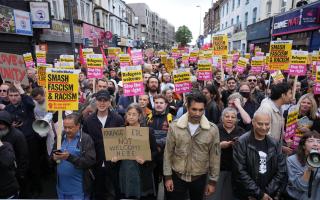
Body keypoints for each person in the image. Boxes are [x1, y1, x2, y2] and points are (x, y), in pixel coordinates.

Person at [163, 92, 220, 200]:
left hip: (199, 177)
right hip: (177, 176)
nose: (197, 113)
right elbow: (168, 153)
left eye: (201, 110)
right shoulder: (175, 127)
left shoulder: (212, 130)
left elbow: (215, 157)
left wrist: (212, 181)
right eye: (194, 109)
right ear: (187, 107)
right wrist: (168, 177)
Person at [233, 111, 287, 200]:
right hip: (248, 195)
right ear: (253, 122)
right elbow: (240, 171)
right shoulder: (241, 142)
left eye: (267, 124)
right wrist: (259, 194)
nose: (264, 127)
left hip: (269, 194)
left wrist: (266, 193)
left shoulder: (274, 143)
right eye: (260, 124)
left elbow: (281, 170)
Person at [82, 90, 124, 200]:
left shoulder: (118, 119)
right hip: (95, 164)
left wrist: (119, 156)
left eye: (105, 100)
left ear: (109, 102)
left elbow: (123, 141)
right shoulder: (88, 121)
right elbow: (85, 142)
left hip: (114, 164)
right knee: (97, 193)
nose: (102, 103)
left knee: (115, 193)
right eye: (99, 100)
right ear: (95, 102)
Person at [5, 82, 44, 198]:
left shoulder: (26, 104)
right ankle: (24, 190)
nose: (13, 98)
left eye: (16, 95)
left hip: (30, 139)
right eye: (11, 96)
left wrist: (21, 90)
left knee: (33, 164)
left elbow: (32, 104)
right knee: (21, 167)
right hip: (16, 142)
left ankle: (37, 188)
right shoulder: (7, 109)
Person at [112, 103, 158, 199]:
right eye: (129, 114)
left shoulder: (147, 131)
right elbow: (114, 150)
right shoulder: (121, 131)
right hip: (125, 171)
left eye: (134, 114)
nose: (131, 117)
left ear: (139, 116)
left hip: (141, 171)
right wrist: (115, 157)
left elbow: (155, 152)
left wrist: (145, 159)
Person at [52, 113, 96, 199]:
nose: (67, 130)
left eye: (70, 127)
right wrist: (53, 159)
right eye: (65, 127)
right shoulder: (60, 138)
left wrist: (69, 157)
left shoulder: (85, 139)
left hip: (79, 190)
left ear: (78, 126)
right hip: (61, 189)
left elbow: (90, 161)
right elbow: (51, 158)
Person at [212, 107, 245, 200]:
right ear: (222, 118)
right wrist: (219, 146)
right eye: (227, 116)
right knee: (215, 195)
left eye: (233, 117)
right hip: (217, 169)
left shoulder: (241, 132)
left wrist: (237, 146)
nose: (230, 119)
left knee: (229, 196)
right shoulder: (214, 129)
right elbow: (206, 148)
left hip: (234, 170)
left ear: (236, 119)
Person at [257, 82, 293, 154]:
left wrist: (285, 136)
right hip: (265, 152)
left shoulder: (280, 107)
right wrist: (280, 148)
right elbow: (264, 134)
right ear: (283, 95)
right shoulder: (266, 109)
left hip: (274, 151)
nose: (292, 96)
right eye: (290, 93)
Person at [286, 131, 320, 200]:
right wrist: (309, 169)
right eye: (311, 141)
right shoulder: (292, 160)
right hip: (298, 197)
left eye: (319, 141)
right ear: (303, 145)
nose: (316, 144)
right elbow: (301, 186)